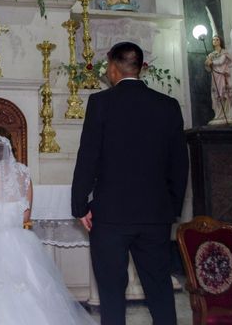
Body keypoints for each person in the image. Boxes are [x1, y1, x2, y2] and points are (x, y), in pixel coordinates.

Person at [71, 41, 188, 325]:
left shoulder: (100, 104)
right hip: (155, 215)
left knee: (111, 293)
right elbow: (179, 164)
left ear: (112, 67)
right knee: (159, 288)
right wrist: (170, 208)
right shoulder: (168, 105)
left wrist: (79, 206)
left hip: (110, 216)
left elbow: (88, 157)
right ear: (141, 68)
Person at [0, 134, 96, 325]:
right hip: (16, 240)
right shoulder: (23, 173)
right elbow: (26, 216)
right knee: (29, 289)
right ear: (11, 148)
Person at [205, 35, 232, 125]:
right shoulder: (210, 55)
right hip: (215, 77)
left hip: (223, 76)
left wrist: (211, 62)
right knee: (216, 95)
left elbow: (221, 61)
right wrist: (207, 64)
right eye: (213, 40)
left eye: (217, 39)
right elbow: (208, 69)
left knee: (224, 94)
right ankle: (218, 115)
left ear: (220, 41)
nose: (215, 41)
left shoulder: (224, 53)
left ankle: (226, 114)